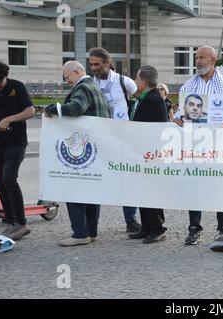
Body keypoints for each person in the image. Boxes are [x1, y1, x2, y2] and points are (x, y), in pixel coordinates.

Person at [173, 45, 223, 245]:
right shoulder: (188, 85)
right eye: (196, 57)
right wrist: (178, 118)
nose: (198, 61)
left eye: (202, 57)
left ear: (213, 61)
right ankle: (194, 228)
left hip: (219, 143)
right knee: (195, 184)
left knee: (219, 184)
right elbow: (180, 111)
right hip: (195, 144)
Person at [44, 61, 111, 246]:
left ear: (76, 71)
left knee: (74, 190)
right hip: (96, 148)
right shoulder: (95, 88)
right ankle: (91, 232)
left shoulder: (83, 87)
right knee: (92, 192)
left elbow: (76, 108)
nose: (66, 81)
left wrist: (53, 108)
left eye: (67, 77)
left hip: (82, 151)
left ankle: (80, 234)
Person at [89, 47, 141, 233]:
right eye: (91, 64)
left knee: (127, 180)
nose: (94, 67)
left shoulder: (123, 81)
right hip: (100, 140)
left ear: (107, 63)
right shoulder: (90, 84)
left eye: (97, 64)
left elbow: (141, 98)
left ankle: (131, 221)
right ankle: (91, 225)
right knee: (97, 180)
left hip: (123, 139)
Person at [0, 60, 35, 240]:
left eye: (0, 82)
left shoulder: (17, 87)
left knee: (9, 177)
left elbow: (30, 111)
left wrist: (9, 119)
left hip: (16, 142)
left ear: (5, 76)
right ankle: (10, 221)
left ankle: (21, 223)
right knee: (0, 180)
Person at [127, 65, 168, 244]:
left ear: (144, 81)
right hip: (142, 151)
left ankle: (157, 228)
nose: (135, 82)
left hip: (151, 153)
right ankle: (146, 228)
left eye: (136, 78)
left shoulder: (152, 99)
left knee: (151, 192)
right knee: (142, 191)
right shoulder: (145, 97)